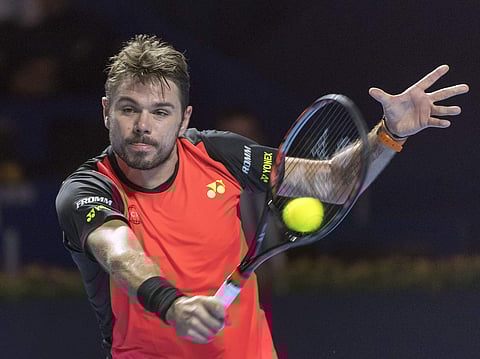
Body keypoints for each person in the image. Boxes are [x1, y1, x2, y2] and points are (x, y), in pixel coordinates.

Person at [55, 34, 469, 358]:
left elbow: (332, 183)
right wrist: (171, 305)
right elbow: (118, 251)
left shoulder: (219, 154)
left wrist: (389, 133)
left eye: (160, 112)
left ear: (184, 120)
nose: (143, 125)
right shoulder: (88, 188)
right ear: (107, 110)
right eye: (129, 109)